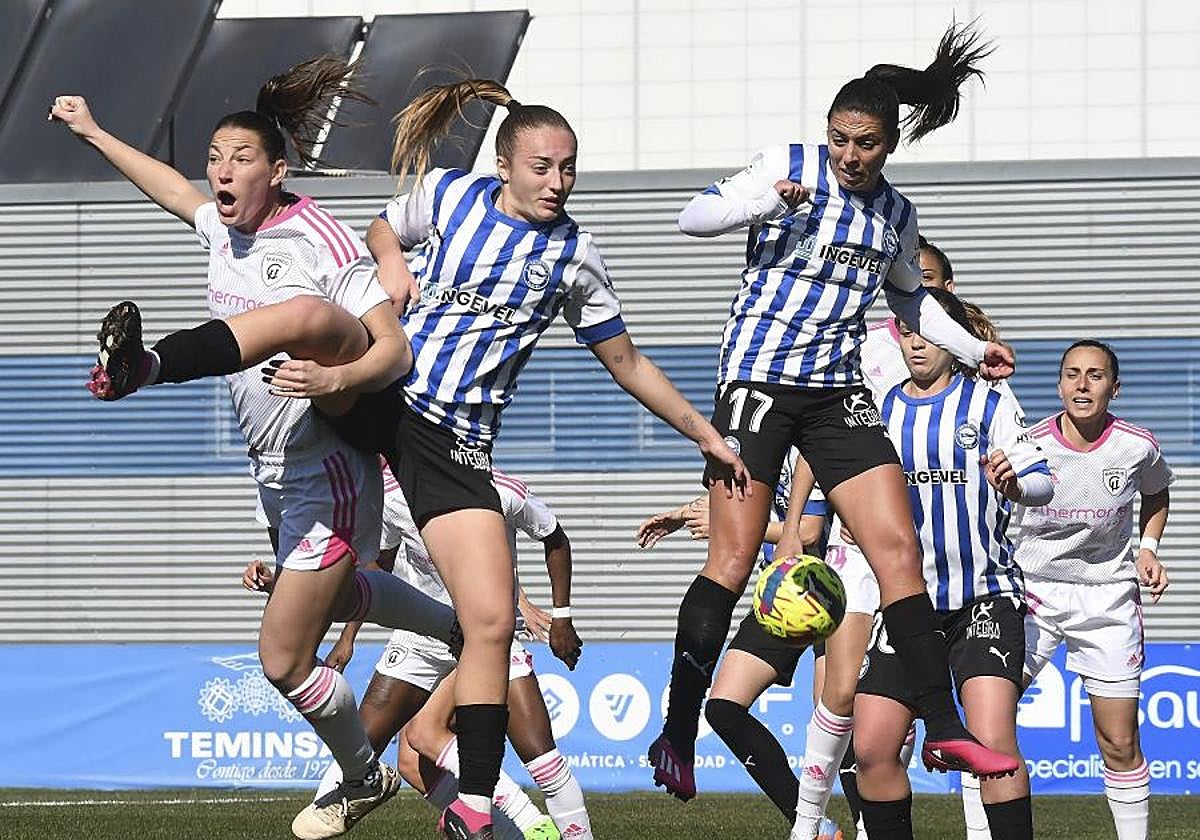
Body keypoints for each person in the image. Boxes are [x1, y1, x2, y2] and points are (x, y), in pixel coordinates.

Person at [323, 78, 749, 840]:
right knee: (314, 321)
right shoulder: (449, 195)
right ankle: (161, 362)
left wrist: (706, 435)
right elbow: (380, 228)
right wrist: (390, 264)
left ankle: (475, 809)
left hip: (451, 442)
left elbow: (626, 361)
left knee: (488, 625)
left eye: (569, 168)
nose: (558, 182)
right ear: (504, 165)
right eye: (543, 166)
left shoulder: (574, 253)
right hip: (382, 388)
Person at [49, 60, 458, 840]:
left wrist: (334, 372)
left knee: (280, 660)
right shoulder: (224, 231)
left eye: (240, 159)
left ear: (278, 171)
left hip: (334, 453)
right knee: (338, 601)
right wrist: (94, 132)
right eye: (214, 158)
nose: (221, 171)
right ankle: (451, 627)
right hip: (272, 472)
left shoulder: (321, 239)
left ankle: (362, 775)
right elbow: (170, 188)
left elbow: (394, 353)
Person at [653, 21, 1019, 801]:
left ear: (889, 145)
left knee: (897, 552)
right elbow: (690, 217)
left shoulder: (893, 213)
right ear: (826, 134)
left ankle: (946, 724)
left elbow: (912, 300)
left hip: (835, 393)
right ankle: (676, 730)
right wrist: (759, 204)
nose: (851, 156)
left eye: (868, 144)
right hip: (756, 384)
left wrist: (972, 346)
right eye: (841, 140)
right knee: (731, 559)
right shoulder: (787, 167)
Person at [245, 462, 591, 840]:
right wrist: (347, 636)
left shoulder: (501, 489)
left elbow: (554, 538)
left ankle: (532, 825)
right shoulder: (392, 497)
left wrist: (562, 618)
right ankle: (524, 830)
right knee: (375, 755)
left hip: (487, 637)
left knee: (540, 759)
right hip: (422, 636)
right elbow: (376, 574)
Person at [850, 288, 1051, 840]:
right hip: (907, 604)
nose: (916, 341)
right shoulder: (881, 408)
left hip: (982, 597)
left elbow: (1042, 480)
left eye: (929, 330)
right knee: (871, 748)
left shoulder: (990, 401)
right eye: (907, 330)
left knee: (992, 742)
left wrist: (1016, 480)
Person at [1008, 341, 1171, 840]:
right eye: (1072, 374)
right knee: (988, 726)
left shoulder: (1137, 446)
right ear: (1059, 385)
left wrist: (1147, 548)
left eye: (1095, 375)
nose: (1082, 384)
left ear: (1113, 388)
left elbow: (1157, 491)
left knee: (1119, 741)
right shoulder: (1027, 446)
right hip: (1031, 595)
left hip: (1107, 599)